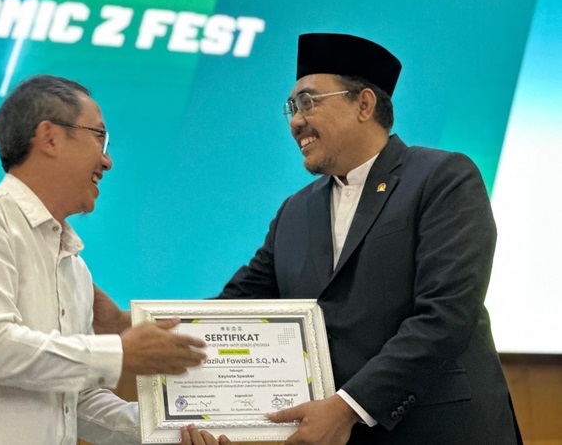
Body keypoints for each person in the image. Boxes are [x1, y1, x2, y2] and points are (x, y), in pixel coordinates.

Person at [215, 33, 522, 444]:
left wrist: (346, 408)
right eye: (291, 107)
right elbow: (234, 310)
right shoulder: (294, 212)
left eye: (307, 101)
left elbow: (446, 315)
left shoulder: (442, 178)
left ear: (364, 104)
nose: (295, 121)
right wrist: (142, 328)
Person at [0, 75, 215, 445]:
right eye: (100, 137)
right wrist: (121, 352)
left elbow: (75, 400)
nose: (107, 161)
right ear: (50, 137)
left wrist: (174, 431)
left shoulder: (75, 267)